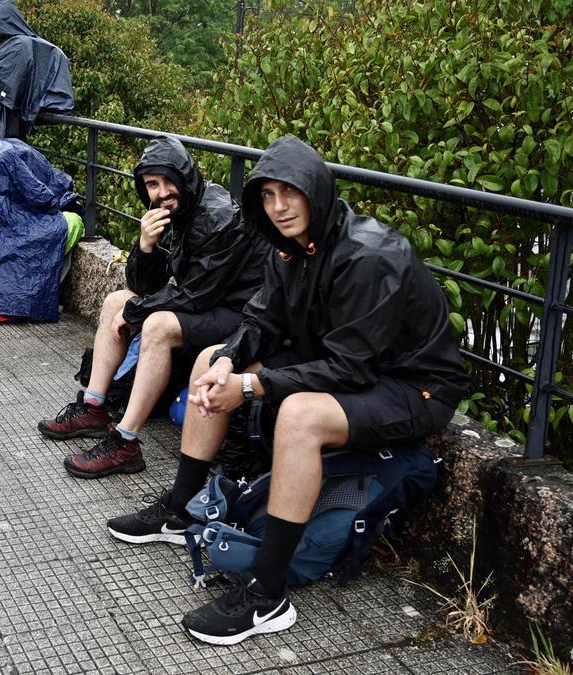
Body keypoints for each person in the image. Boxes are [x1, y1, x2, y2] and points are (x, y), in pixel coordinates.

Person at [108, 136, 470, 645]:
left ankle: (267, 596)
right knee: (212, 362)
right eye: (268, 195)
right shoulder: (289, 249)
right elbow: (261, 319)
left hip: (414, 388)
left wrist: (253, 386)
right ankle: (178, 507)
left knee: (300, 415)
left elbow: (349, 369)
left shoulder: (368, 256)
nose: (278, 207)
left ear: (316, 191)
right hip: (340, 361)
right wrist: (230, 359)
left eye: (290, 193)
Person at [39, 135, 268, 479]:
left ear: (185, 176)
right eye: (151, 185)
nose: (161, 192)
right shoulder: (171, 213)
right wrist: (145, 246)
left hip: (241, 314)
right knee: (116, 300)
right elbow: (142, 286)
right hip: (208, 303)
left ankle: (126, 442)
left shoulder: (219, 218)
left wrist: (135, 313)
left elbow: (196, 295)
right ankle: (94, 407)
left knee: (157, 324)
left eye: (167, 181)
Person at [0, 0, 73, 140]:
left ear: (5, 24)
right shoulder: (21, 44)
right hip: (13, 125)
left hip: (7, 126)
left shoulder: (18, 46)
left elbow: (6, 91)